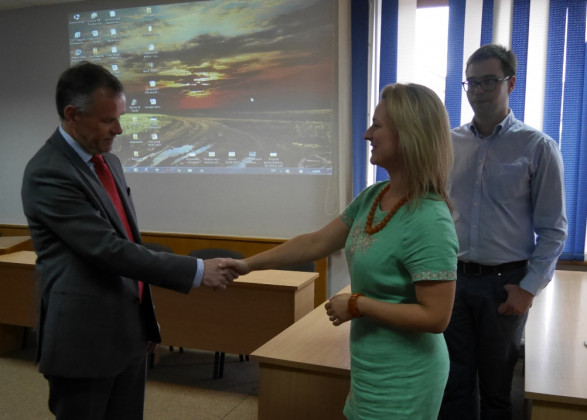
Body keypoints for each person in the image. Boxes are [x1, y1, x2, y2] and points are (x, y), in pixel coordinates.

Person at [21, 61, 239, 420]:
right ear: (72, 115)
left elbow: (128, 243)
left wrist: (145, 322)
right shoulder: (49, 172)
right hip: (84, 343)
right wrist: (198, 270)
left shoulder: (108, 163)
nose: (119, 129)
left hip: (127, 336)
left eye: (120, 118)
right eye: (108, 120)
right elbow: (108, 250)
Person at [231, 83, 458, 419]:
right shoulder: (374, 196)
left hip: (407, 377)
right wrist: (247, 265)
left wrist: (357, 304)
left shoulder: (429, 219)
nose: (367, 135)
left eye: (377, 125)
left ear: (408, 134)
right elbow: (316, 242)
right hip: (370, 365)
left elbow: (436, 317)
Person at [440, 44, 568, 420]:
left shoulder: (538, 147)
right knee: (452, 384)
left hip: (505, 284)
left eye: (489, 82)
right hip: (452, 280)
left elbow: (554, 229)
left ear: (510, 84)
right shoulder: (448, 144)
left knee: (497, 389)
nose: (478, 91)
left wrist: (528, 289)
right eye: (472, 82)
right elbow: (436, 211)